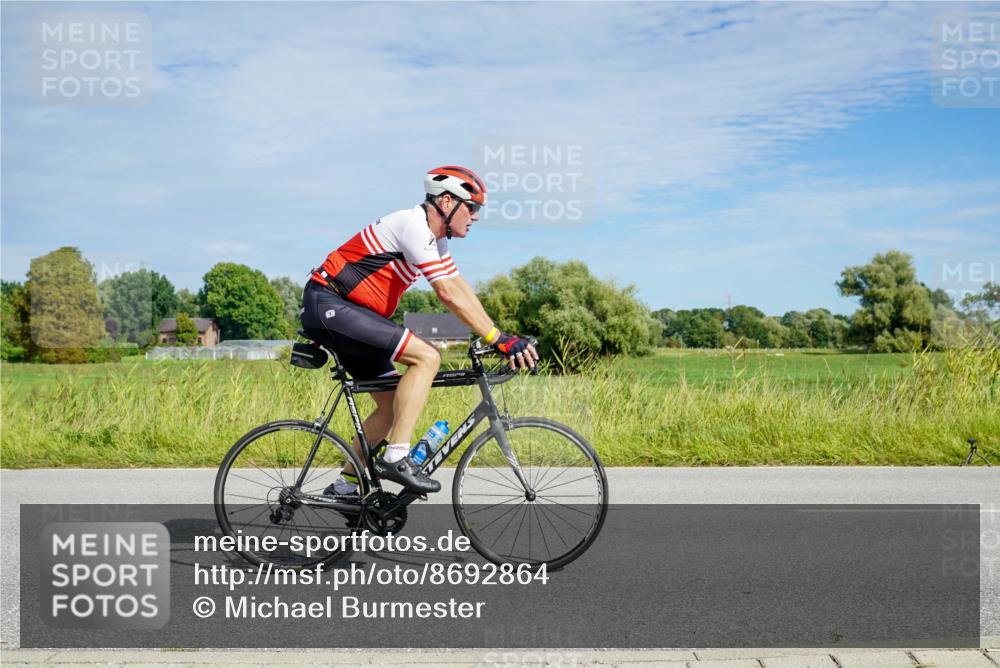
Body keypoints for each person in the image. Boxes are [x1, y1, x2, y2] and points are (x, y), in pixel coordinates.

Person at [300, 166, 539, 497]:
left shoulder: (436, 241)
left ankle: (346, 484)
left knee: (390, 407)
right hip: (329, 304)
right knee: (427, 357)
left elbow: (460, 287)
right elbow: (447, 294)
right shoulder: (413, 226)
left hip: (348, 312)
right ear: (445, 201)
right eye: (472, 207)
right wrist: (495, 339)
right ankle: (397, 456)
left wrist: (499, 335)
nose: (475, 217)